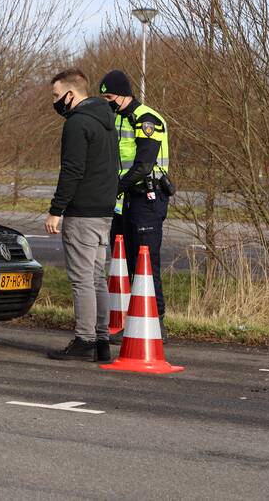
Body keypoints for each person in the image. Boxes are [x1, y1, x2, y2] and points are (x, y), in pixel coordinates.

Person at [44, 69, 119, 361]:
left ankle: (85, 338)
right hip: (103, 211)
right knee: (97, 277)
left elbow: (72, 170)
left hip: (83, 212)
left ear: (71, 94)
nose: (55, 101)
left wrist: (56, 209)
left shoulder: (77, 124)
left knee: (82, 279)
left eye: (56, 94)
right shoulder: (106, 121)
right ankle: (102, 340)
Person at [99, 69, 172, 343]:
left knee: (147, 263)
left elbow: (143, 165)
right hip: (125, 201)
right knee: (129, 263)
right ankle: (134, 322)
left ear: (124, 94)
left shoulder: (147, 119)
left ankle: (157, 324)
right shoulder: (116, 118)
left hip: (147, 200)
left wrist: (115, 187)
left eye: (109, 96)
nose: (107, 101)